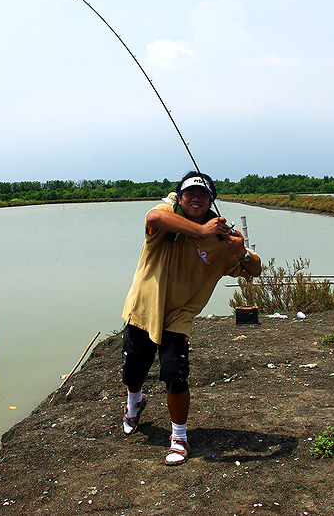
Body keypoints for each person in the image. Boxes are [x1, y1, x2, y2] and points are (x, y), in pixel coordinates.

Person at [120, 171, 262, 466]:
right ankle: (135, 402)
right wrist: (200, 231)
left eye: (203, 194)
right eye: (190, 194)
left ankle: (179, 436)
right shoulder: (166, 218)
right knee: (133, 371)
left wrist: (242, 253)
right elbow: (153, 218)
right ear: (180, 198)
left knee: (175, 373)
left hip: (180, 314)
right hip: (145, 306)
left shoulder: (223, 239)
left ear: (211, 200)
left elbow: (256, 269)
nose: (196, 198)